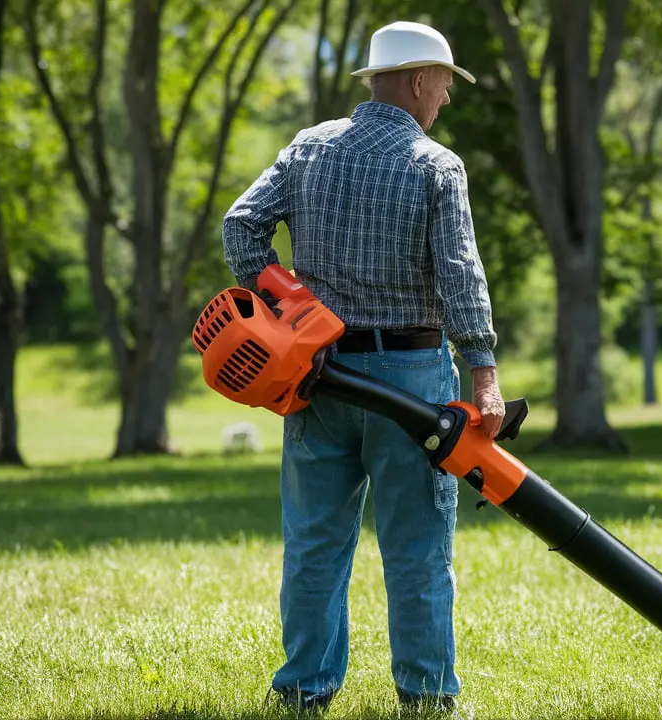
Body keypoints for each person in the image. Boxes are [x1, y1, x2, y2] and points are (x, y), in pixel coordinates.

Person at [221, 19, 505, 715]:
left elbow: (240, 226)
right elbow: (461, 274)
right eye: (442, 85)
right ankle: (428, 698)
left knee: (315, 544)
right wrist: (484, 372)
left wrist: (288, 306)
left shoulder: (308, 148)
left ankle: (303, 693)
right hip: (409, 380)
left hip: (315, 378)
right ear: (415, 81)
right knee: (415, 547)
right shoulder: (436, 165)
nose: (444, 100)